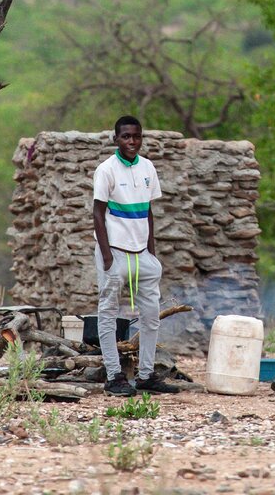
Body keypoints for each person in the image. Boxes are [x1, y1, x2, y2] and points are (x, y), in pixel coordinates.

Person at [91, 115, 179, 397]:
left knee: (151, 315)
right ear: (115, 139)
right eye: (126, 136)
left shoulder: (148, 168)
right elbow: (97, 213)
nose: (132, 141)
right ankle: (114, 376)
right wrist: (106, 257)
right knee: (108, 314)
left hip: (142, 255)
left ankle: (146, 375)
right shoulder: (106, 170)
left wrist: (151, 253)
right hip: (115, 253)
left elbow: (149, 211)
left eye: (136, 136)